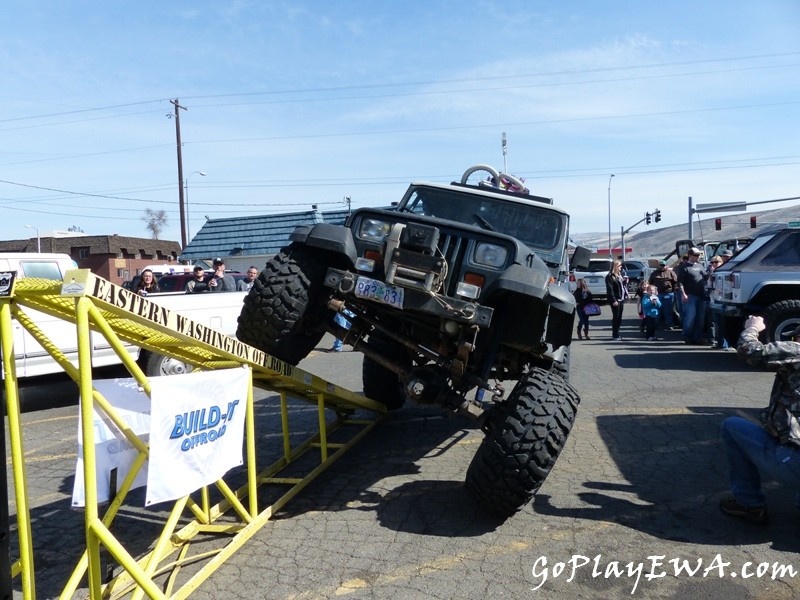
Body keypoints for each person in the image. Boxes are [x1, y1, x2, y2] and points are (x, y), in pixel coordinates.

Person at [719, 316, 800, 524]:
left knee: (731, 427)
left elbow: (750, 351)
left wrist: (752, 328)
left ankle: (749, 503)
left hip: (793, 461)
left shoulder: (796, 352)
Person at [676, 247, 707, 345]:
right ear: (690, 255)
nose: (697, 257)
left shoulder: (701, 266)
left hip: (701, 295)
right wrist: (683, 294)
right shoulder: (684, 267)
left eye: (698, 255)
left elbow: (706, 277)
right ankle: (687, 336)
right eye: (695, 255)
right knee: (690, 317)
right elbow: (680, 282)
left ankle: (697, 337)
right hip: (690, 296)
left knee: (700, 318)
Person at [648, 259, 678, 330]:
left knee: (668, 310)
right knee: (656, 310)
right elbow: (650, 282)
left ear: (666, 265)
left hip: (669, 294)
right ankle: (656, 325)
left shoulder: (671, 273)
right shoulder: (654, 273)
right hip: (657, 294)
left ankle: (669, 324)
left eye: (663, 265)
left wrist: (675, 289)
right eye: (661, 265)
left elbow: (676, 282)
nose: (662, 267)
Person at [605, 260, 626, 340]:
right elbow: (610, 289)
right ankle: (615, 335)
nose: (621, 267)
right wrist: (613, 300)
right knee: (616, 317)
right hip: (615, 299)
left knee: (619, 317)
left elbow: (621, 287)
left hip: (621, 298)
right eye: (620, 265)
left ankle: (617, 333)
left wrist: (625, 282)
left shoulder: (619, 275)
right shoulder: (610, 276)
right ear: (615, 266)